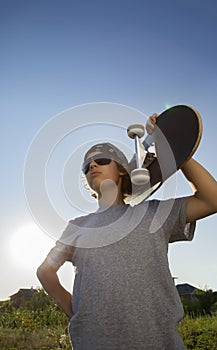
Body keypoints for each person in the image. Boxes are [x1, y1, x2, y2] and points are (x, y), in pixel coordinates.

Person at [37, 114, 217, 350]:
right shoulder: (77, 226)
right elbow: (45, 271)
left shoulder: (153, 214)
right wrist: (74, 310)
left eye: (101, 159)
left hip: (159, 343)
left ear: (122, 170)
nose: (92, 165)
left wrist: (174, 149)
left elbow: (211, 199)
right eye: (86, 165)